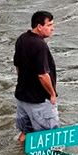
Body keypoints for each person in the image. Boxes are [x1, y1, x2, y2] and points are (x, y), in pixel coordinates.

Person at [14, 11, 59, 143]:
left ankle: (19, 154)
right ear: (39, 26)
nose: (52, 28)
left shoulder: (22, 39)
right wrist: (52, 94)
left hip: (22, 98)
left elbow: (18, 67)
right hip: (38, 101)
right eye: (49, 25)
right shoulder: (40, 46)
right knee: (49, 138)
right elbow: (42, 75)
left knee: (26, 133)